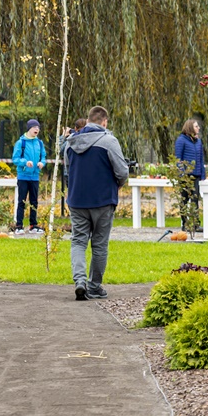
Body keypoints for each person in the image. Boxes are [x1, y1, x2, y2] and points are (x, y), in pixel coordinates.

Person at [66, 106, 129, 300]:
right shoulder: (109, 141)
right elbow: (122, 171)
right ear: (104, 122)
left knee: (78, 241)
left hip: (77, 200)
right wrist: (117, 185)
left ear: (88, 120)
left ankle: (79, 281)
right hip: (103, 200)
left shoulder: (70, 143)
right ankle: (94, 286)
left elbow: (68, 171)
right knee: (99, 244)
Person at [12, 119, 46, 234]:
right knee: (21, 201)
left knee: (34, 202)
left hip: (35, 176)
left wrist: (42, 163)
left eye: (38, 127)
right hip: (23, 176)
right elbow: (15, 159)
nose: (37, 129)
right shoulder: (21, 143)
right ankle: (19, 226)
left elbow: (43, 157)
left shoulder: (39, 143)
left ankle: (33, 225)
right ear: (29, 129)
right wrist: (25, 162)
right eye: (34, 127)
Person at [174, 118, 206, 230]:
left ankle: (196, 224)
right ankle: (185, 223)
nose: (198, 128)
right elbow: (178, 158)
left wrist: (202, 173)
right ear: (190, 127)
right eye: (196, 126)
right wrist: (182, 173)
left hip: (195, 174)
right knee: (184, 199)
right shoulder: (181, 140)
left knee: (195, 199)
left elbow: (201, 159)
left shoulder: (198, 141)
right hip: (185, 176)